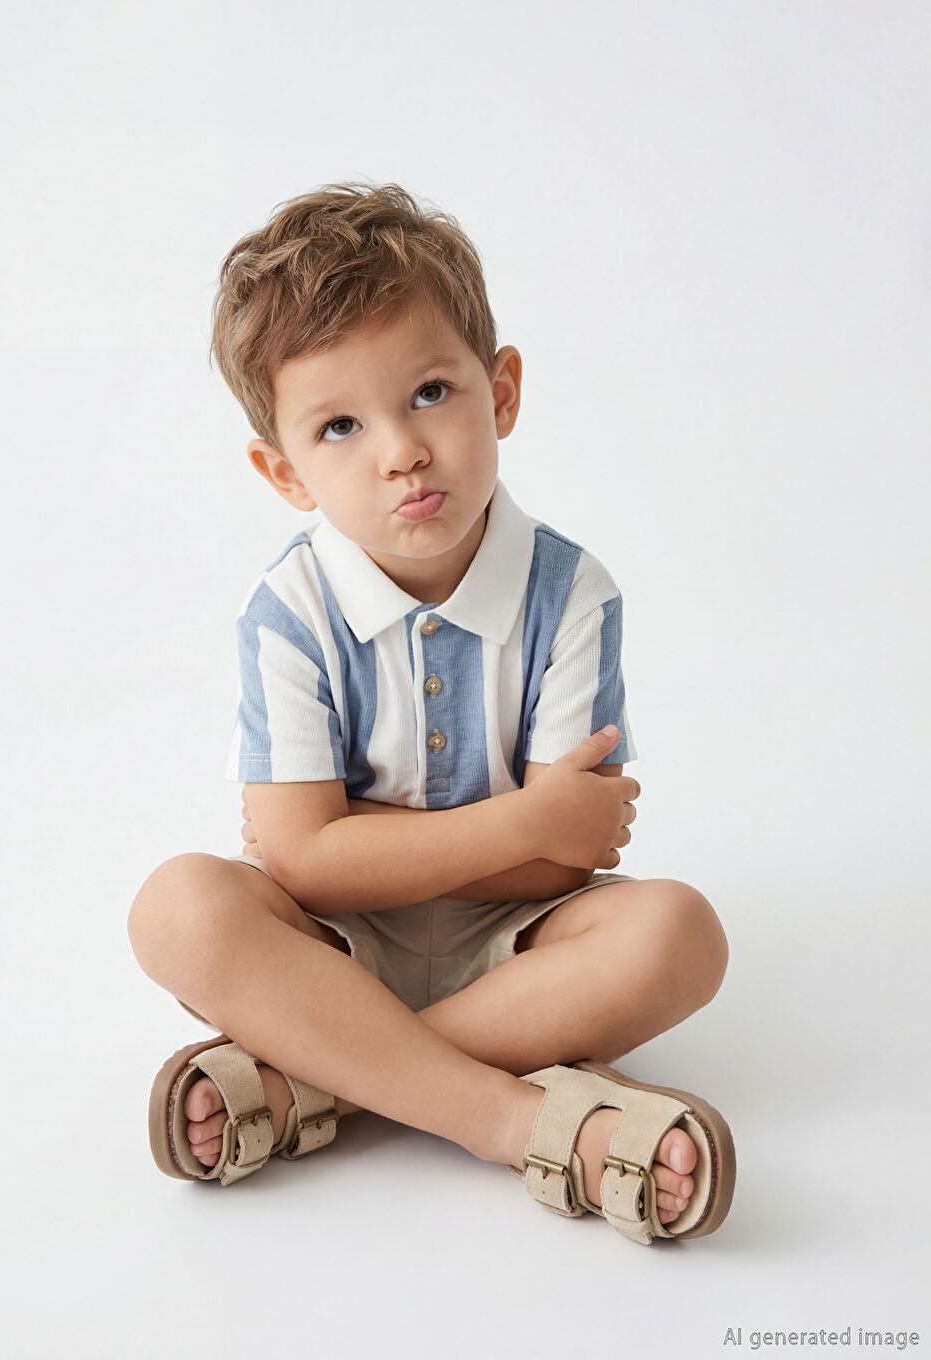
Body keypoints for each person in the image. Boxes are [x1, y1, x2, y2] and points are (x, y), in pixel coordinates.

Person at [127, 181, 735, 1246]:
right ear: (285, 472)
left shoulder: (570, 593)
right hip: (331, 945)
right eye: (340, 425)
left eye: (430, 394)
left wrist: (363, 843)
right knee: (177, 908)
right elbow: (313, 874)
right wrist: (519, 824)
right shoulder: (288, 612)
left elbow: (555, 873)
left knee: (678, 934)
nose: (400, 451)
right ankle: (514, 1118)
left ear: (500, 391)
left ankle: (319, 1079)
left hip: (520, 945)